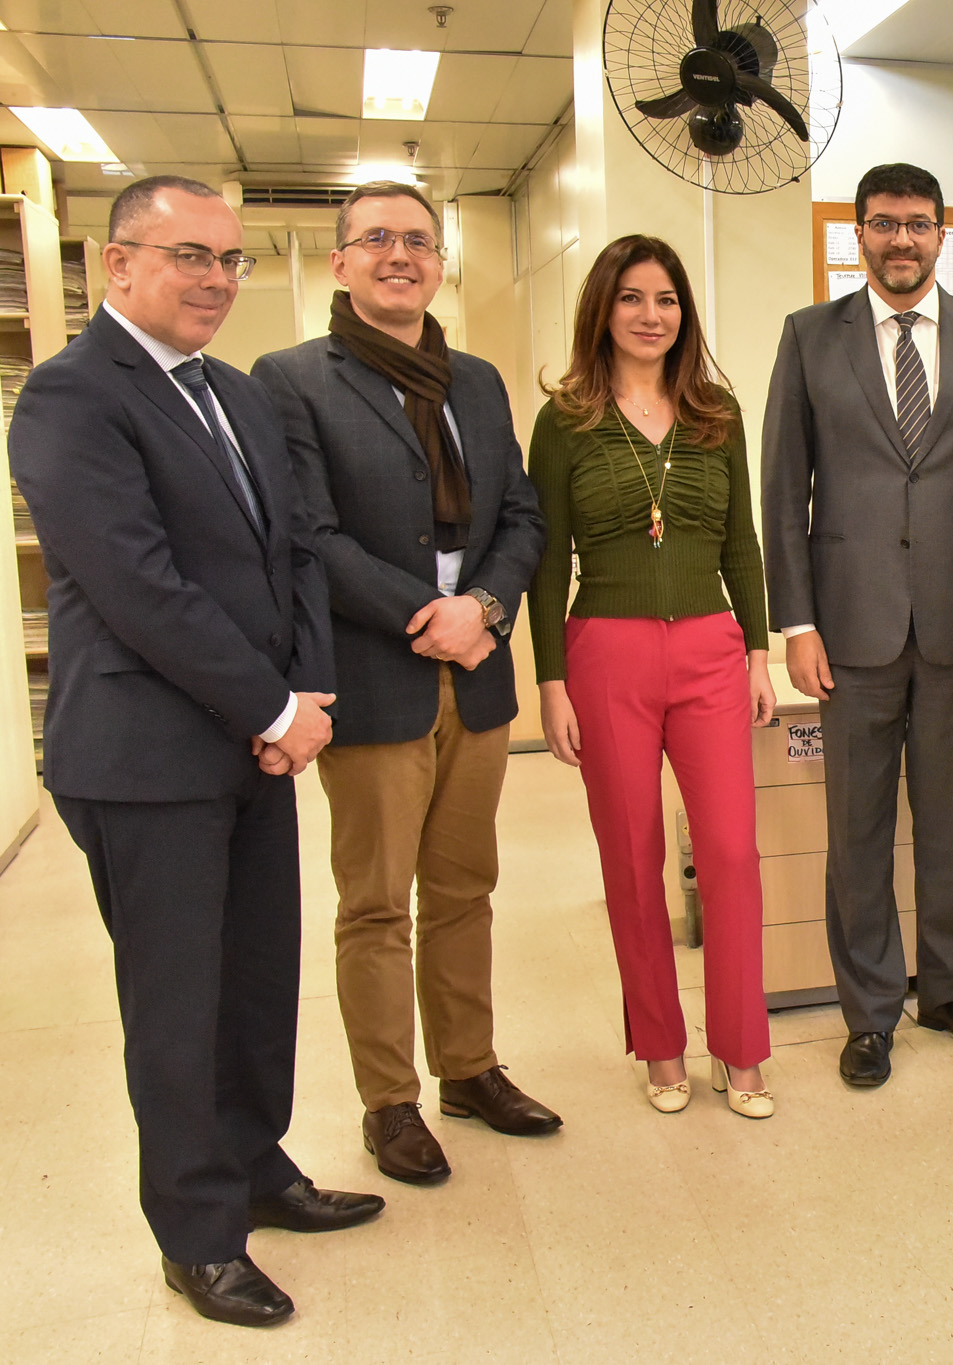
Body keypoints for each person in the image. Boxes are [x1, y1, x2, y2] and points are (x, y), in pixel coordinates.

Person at [9, 175, 382, 1328]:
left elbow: (298, 555)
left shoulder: (233, 391)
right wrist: (274, 711)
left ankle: (257, 1169)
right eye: (190, 257)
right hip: (145, 759)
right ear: (117, 265)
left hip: (253, 745)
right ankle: (197, 1232)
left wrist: (304, 690)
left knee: (256, 985)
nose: (217, 279)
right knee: (176, 1006)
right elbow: (139, 588)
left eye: (231, 260)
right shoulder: (72, 398)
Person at [254, 182, 560, 1185]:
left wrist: (485, 607)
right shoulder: (291, 378)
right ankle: (389, 1101)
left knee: (465, 889)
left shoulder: (474, 380)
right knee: (378, 901)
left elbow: (519, 515)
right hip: (377, 674)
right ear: (340, 262)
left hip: (473, 673)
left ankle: (468, 1070)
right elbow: (306, 533)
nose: (400, 254)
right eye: (376, 239)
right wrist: (426, 615)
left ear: (440, 263)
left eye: (418, 241)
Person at [762, 162, 953, 1089]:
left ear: (941, 236)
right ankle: (870, 1011)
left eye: (918, 225)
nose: (901, 240)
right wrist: (795, 622)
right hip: (850, 628)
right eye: (883, 224)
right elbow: (783, 490)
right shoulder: (809, 338)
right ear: (858, 235)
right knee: (859, 828)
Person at [529, 235, 777, 1117]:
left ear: (684, 313)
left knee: (732, 854)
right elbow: (546, 559)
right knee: (631, 857)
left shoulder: (717, 411)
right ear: (603, 309)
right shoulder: (564, 421)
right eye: (630, 298)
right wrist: (550, 681)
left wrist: (758, 649)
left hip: (711, 647)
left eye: (665, 299)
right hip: (607, 652)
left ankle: (743, 1049)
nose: (649, 315)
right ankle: (661, 1045)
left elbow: (741, 542)